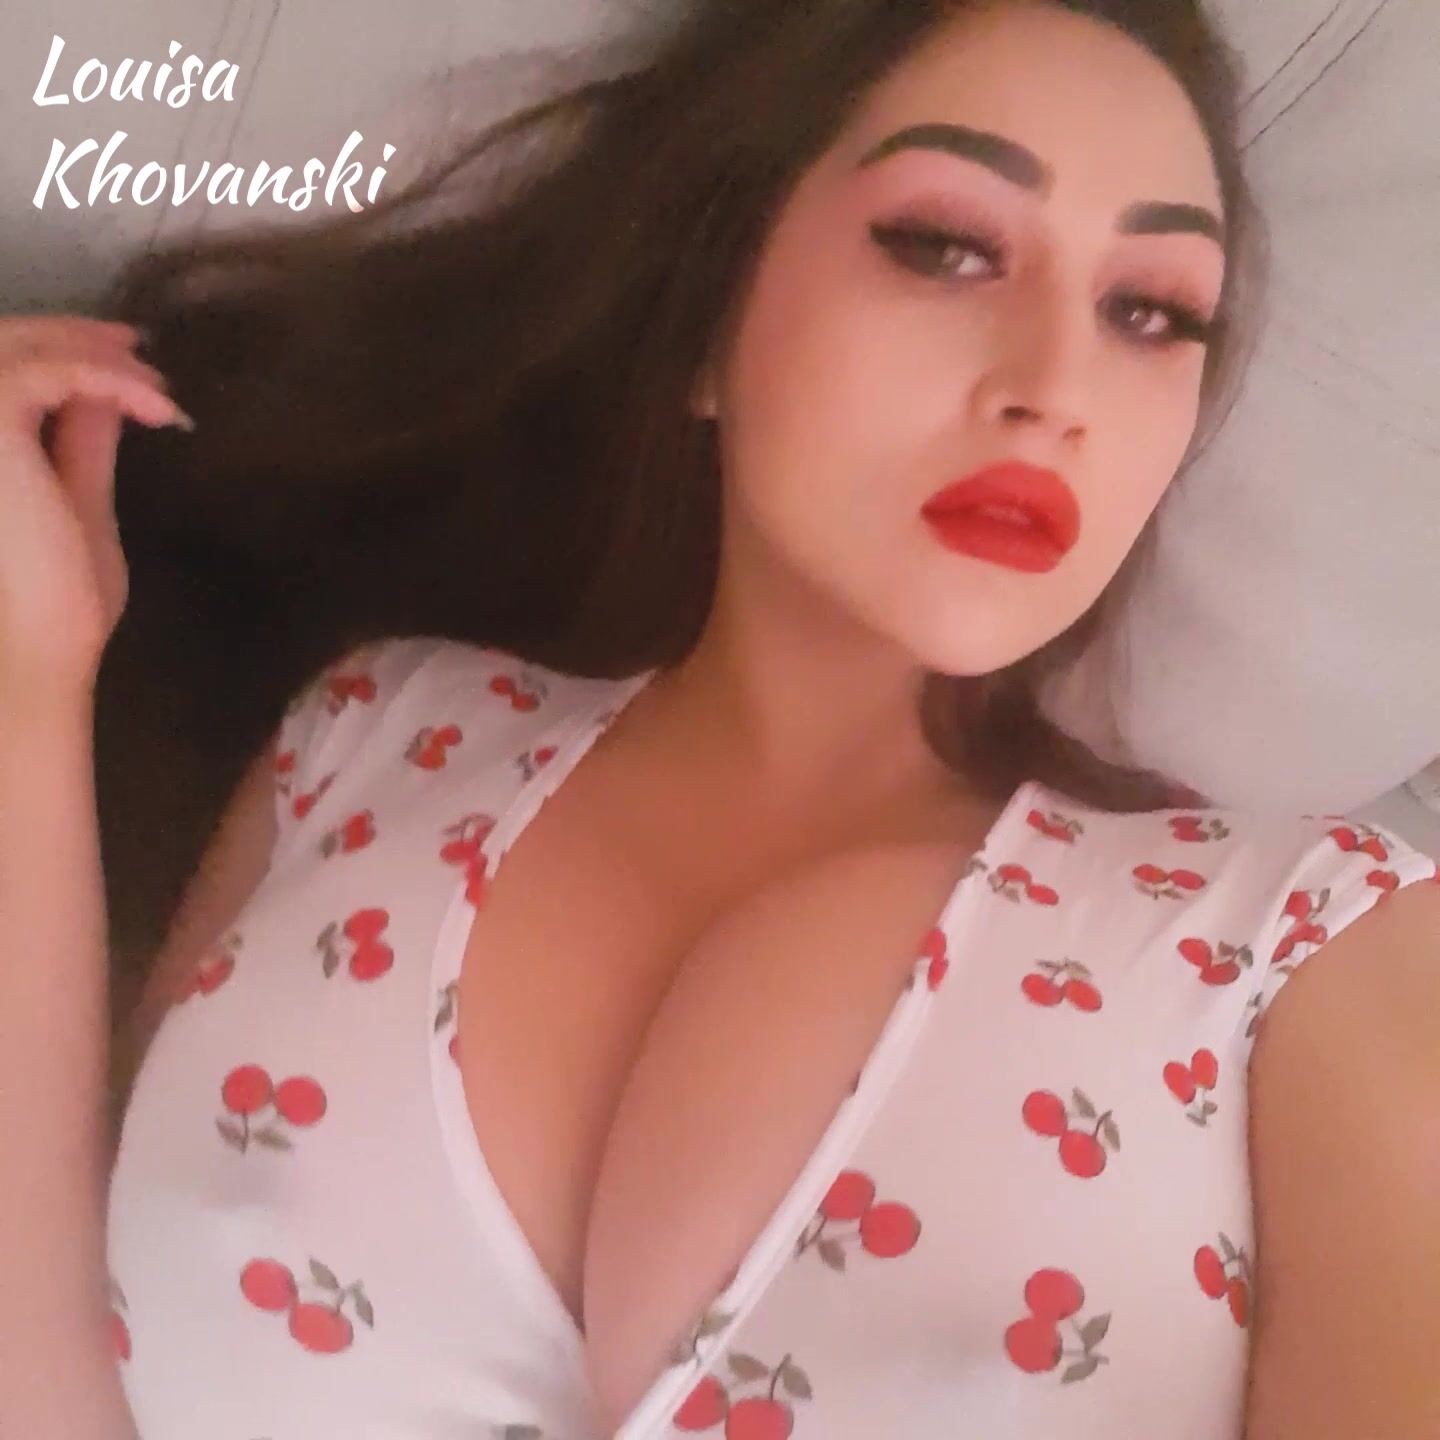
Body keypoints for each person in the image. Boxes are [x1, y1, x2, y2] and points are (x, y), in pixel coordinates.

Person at [1, 2, 1436, 1438]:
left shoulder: (1307, 949)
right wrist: (31, 680)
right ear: (706, 321)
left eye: (1151, 314)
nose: (1054, 389)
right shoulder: (373, 733)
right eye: (945, 246)